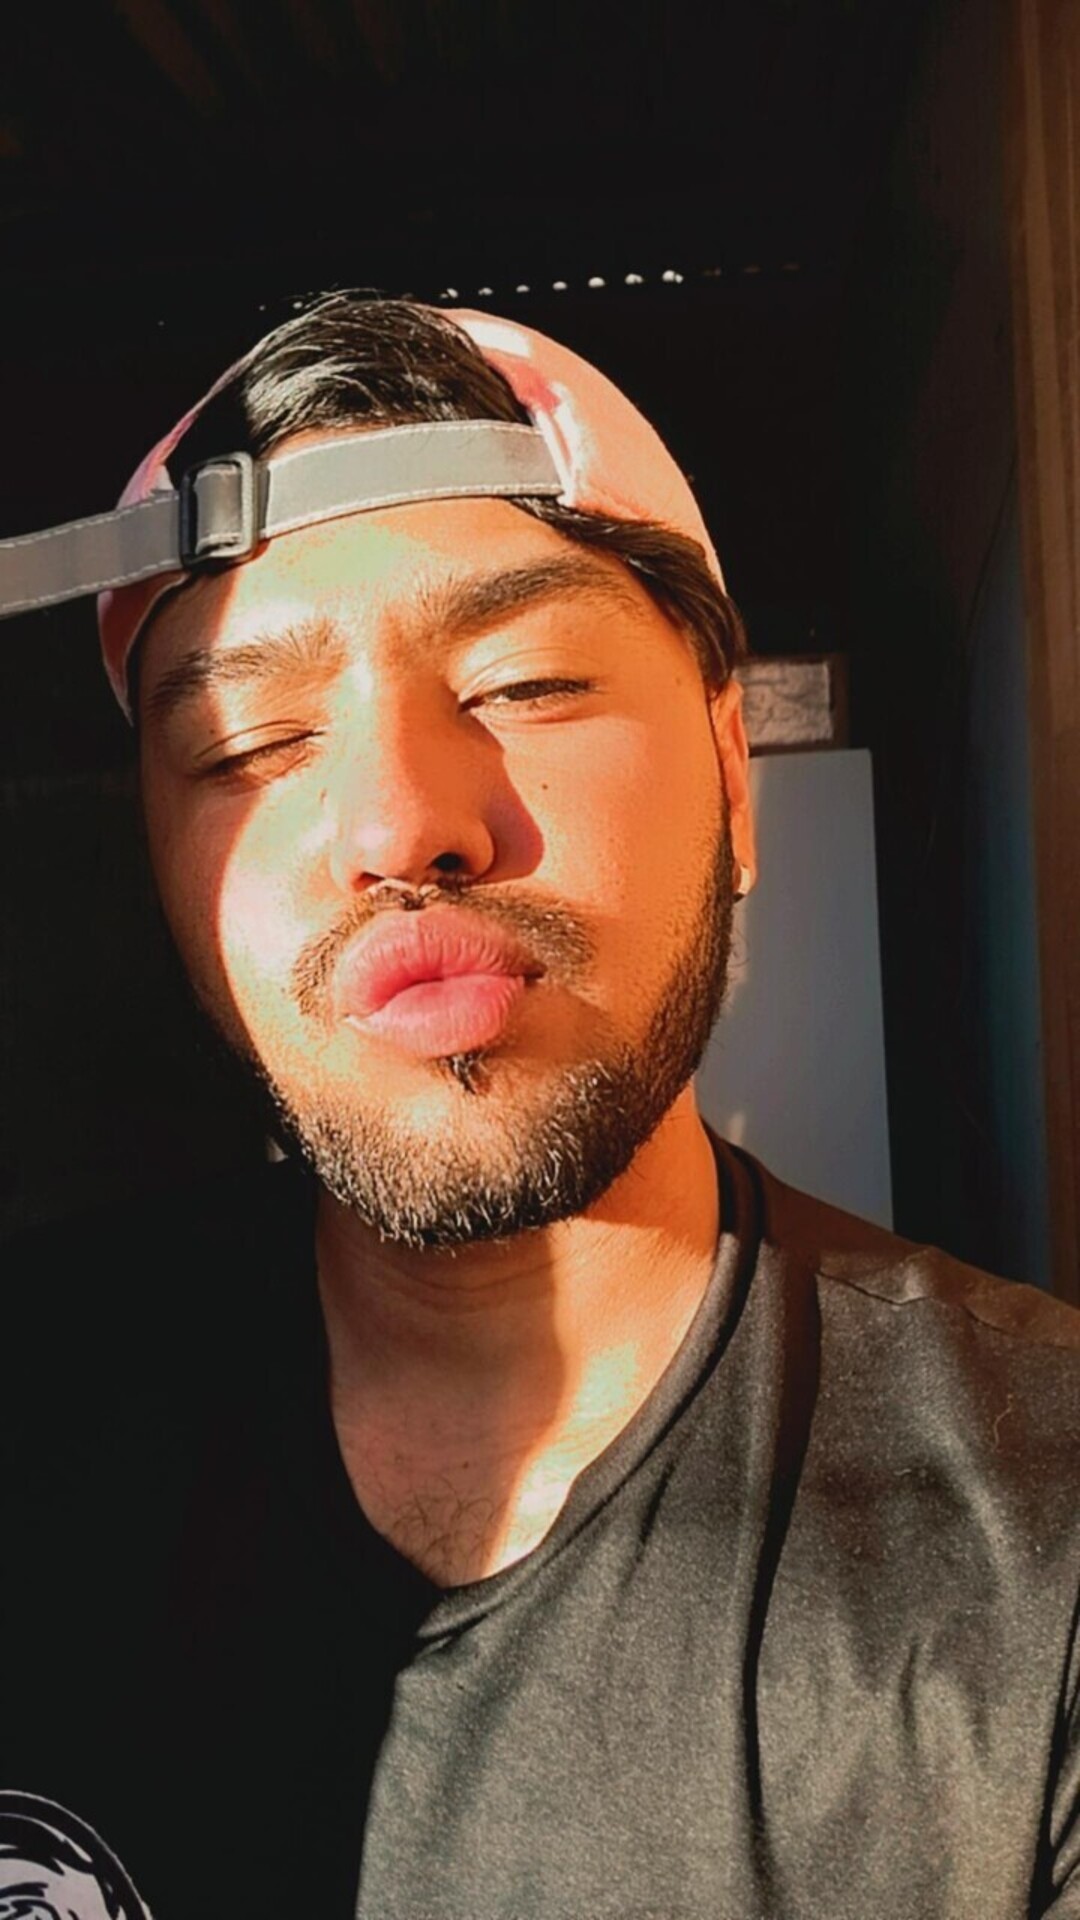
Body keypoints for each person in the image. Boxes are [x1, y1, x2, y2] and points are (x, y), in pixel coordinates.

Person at [2, 292, 1078, 1920]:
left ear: (733, 776)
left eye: (522, 682)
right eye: (249, 740)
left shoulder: (1042, 1537)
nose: (399, 825)